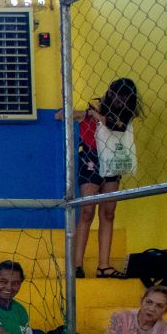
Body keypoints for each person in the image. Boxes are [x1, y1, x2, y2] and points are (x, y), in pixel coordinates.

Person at [68, 78, 139, 279]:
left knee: (108, 213)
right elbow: (60, 116)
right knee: (87, 211)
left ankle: (104, 266)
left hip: (113, 161)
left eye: (125, 96)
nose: (120, 100)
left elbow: (116, 126)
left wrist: (94, 114)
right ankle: (77, 265)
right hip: (91, 159)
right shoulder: (94, 111)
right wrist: (86, 113)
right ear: (110, 94)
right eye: (116, 94)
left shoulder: (124, 116)